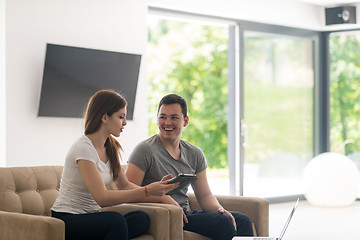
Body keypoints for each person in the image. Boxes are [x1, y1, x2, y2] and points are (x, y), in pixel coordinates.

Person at [51, 89, 179, 240]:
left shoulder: (110, 147)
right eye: (121, 117)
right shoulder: (83, 147)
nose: (125, 123)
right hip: (68, 219)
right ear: (105, 117)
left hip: (92, 217)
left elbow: (124, 185)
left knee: (141, 218)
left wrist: (158, 193)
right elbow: (102, 198)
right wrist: (147, 190)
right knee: (115, 221)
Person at [125, 93, 254, 240]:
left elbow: (205, 195)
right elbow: (127, 192)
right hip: (161, 215)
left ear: (185, 121)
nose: (167, 123)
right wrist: (162, 198)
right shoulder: (144, 150)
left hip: (184, 214)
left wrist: (219, 209)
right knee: (223, 223)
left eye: (174, 117)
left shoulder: (194, 153)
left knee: (242, 221)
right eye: (162, 117)